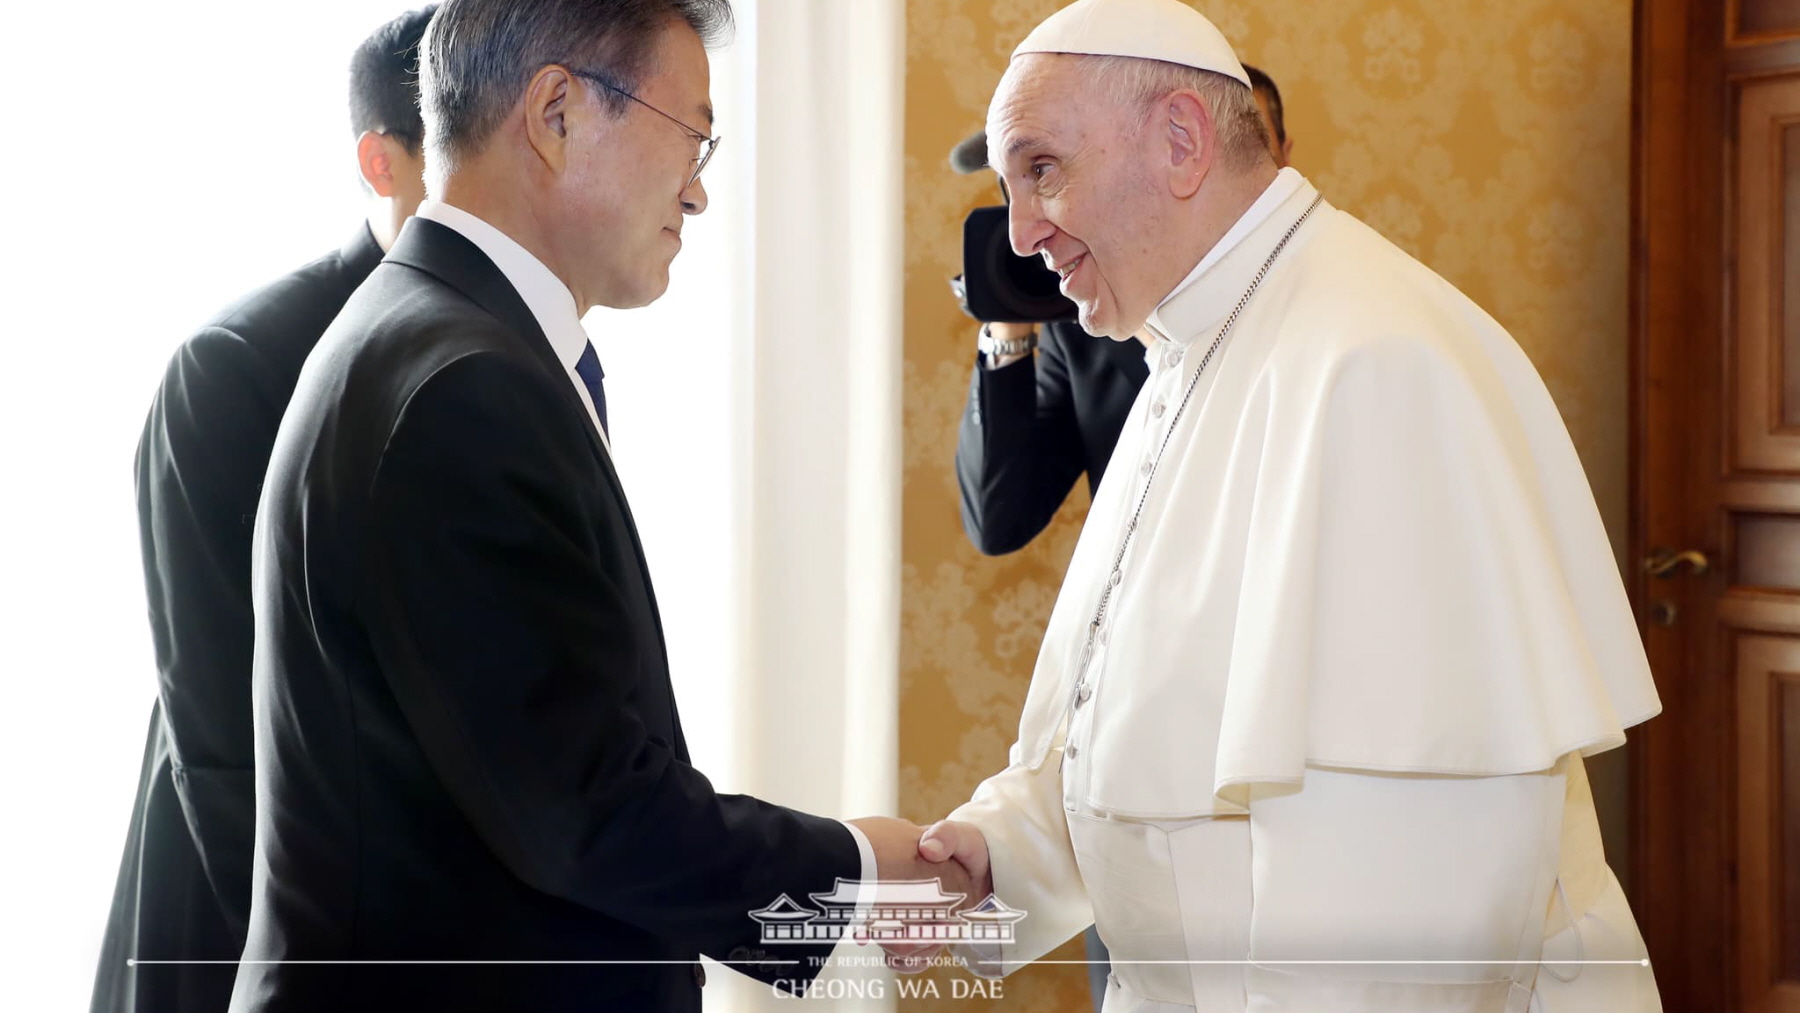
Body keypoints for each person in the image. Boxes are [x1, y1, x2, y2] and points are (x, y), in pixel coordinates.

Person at [909, 0, 1664, 1009]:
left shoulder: (1373, 365)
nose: (1021, 229)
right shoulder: (1188, 343)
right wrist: (1001, 847)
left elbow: (1409, 906)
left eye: (1042, 169)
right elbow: (1144, 734)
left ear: (1180, 141)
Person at [231, 3, 952, 1011]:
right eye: (693, 135)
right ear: (558, 113)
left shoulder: (434, 334)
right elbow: (585, 807)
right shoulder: (459, 385)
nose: (699, 192)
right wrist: (859, 877)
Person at [91, 10, 437, 1012]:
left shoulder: (513, 355)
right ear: (383, 162)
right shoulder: (235, 364)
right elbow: (217, 717)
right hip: (244, 911)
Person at [954, 63, 1289, 557]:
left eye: (1245, 144)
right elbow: (1000, 519)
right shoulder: (1082, 326)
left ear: (1281, 156)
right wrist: (1010, 313)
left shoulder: (1310, 303)